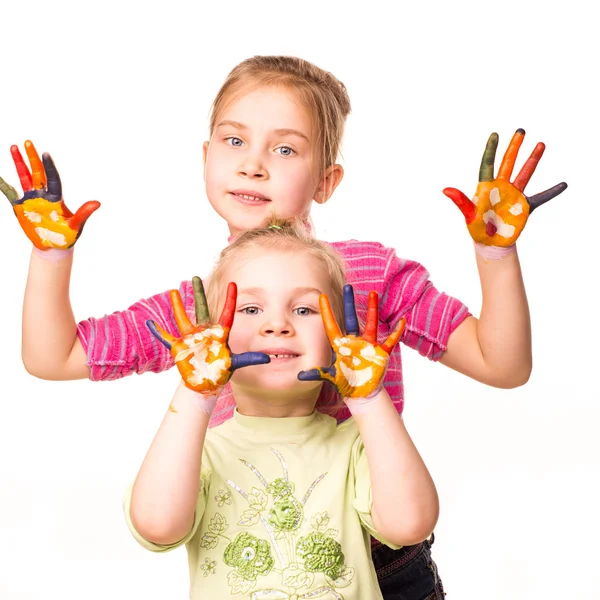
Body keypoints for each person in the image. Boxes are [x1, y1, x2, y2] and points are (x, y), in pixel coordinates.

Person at [0, 55, 566, 599]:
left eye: (286, 148)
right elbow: (55, 357)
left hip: (383, 556)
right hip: (252, 556)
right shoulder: (197, 309)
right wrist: (51, 259)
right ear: (205, 157)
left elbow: (502, 363)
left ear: (327, 179)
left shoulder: (369, 273)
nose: (253, 163)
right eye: (235, 140)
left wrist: (496, 256)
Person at [124, 219, 439, 600]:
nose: (277, 324)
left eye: (305, 310)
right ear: (213, 333)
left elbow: (410, 525)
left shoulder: (358, 445)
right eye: (251, 308)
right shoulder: (198, 452)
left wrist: (369, 399)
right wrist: (194, 394)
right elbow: (157, 526)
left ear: (338, 335)